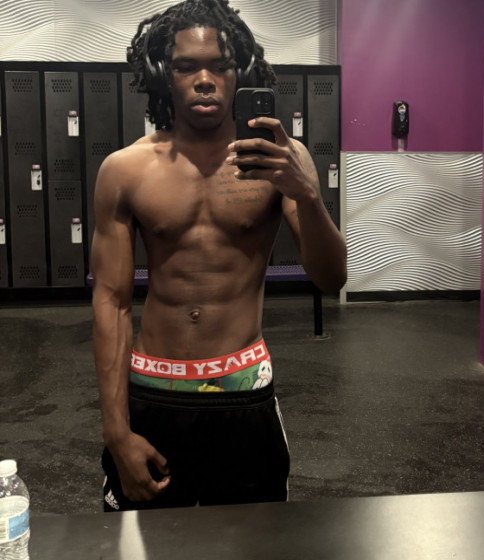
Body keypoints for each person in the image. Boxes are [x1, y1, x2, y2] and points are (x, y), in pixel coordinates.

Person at [91, 0, 346, 512]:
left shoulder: (282, 160)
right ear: (164, 76)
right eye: (186, 67)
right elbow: (112, 302)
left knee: (253, 543)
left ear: (240, 73)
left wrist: (307, 195)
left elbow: (331, 278)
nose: (204, 81)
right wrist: (117, 433)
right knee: (142, 542)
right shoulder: (125, 169)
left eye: (220, 66)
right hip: (154, 388)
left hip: (242, 387)